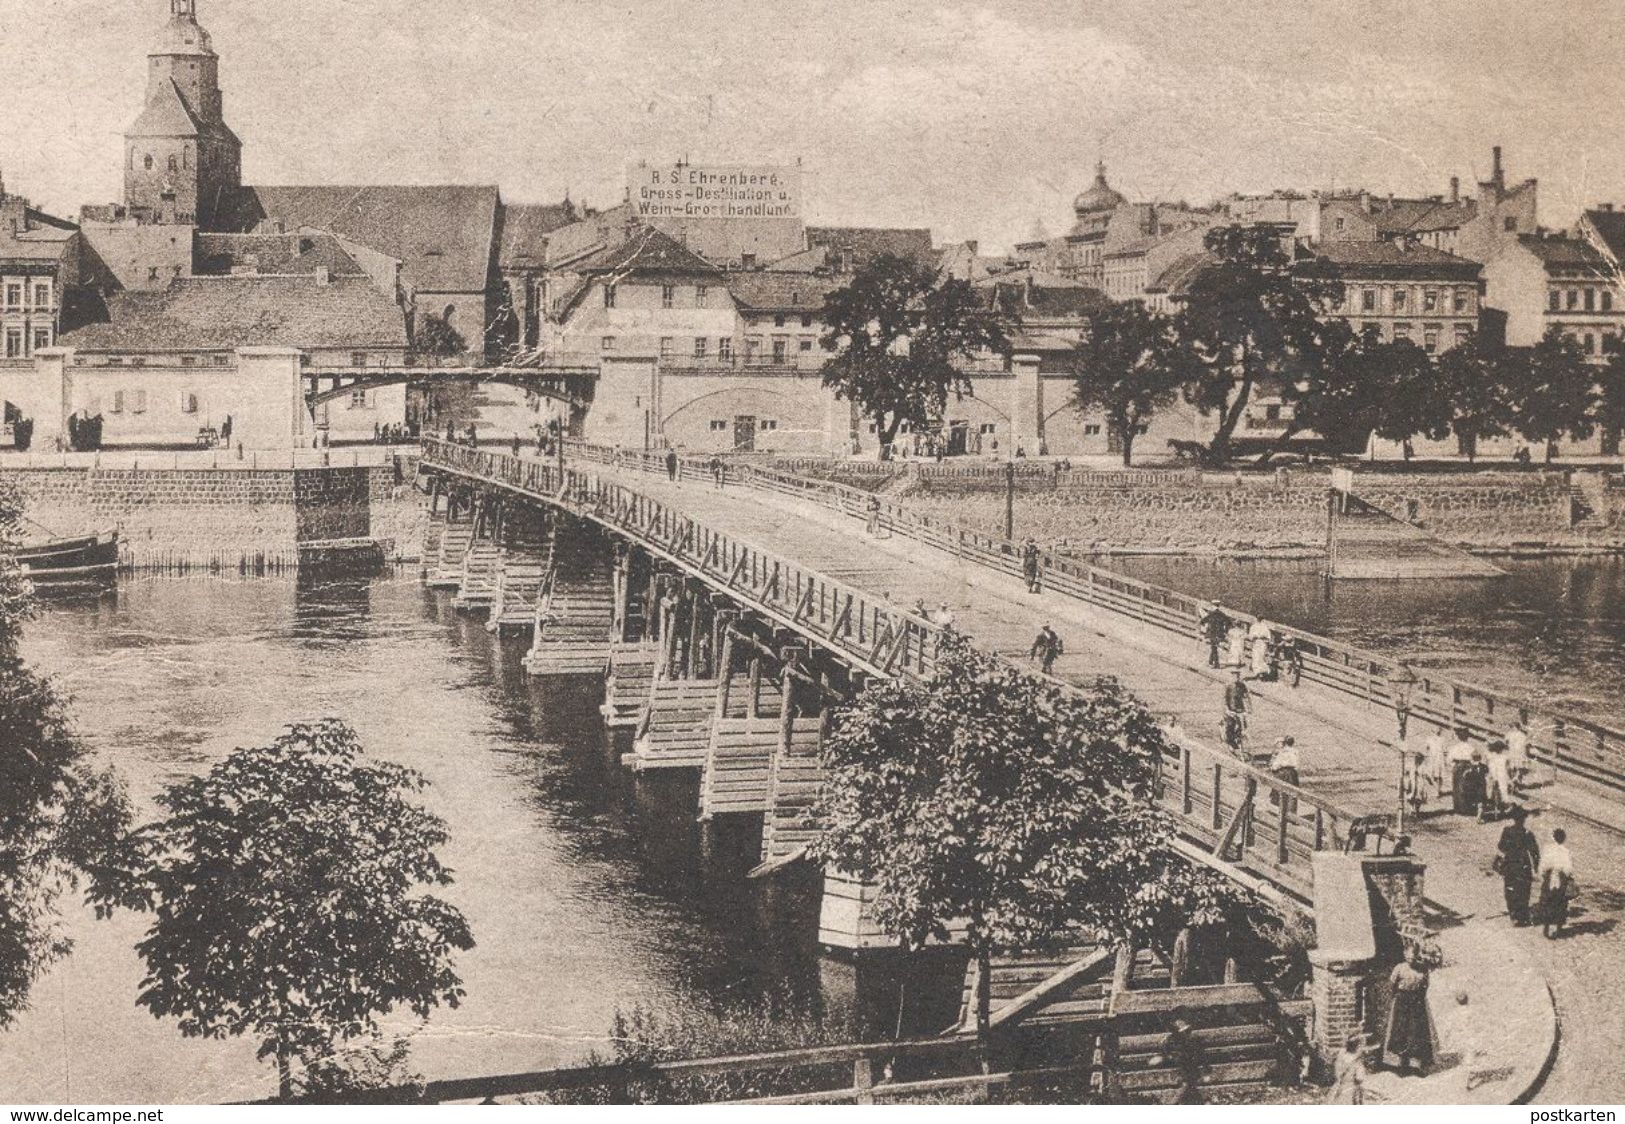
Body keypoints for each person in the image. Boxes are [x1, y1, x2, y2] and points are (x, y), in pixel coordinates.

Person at [1384, 948, 1434, 1075]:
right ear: (1405, 955)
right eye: (1408, 957)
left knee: (1417, 1032)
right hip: (1402, 1001)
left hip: (1417, 1001)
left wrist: (1418, 998)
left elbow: (1425, 985)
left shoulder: (1423, 968)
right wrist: (1398, 998)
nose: (1410, 960)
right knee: (1401, 1031)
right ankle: (1401, 1065)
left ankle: (1417, 1066)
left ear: (1417, 956)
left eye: (1413, 957)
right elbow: (1392, 985)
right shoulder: (1399, 968)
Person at [1494, 806, 1541, 926]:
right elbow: (1534, 852)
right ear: (1523, 820)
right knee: (1524, 890)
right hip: (1523, 865)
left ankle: (1514, 915)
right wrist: (1536, 866)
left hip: (1510, 863)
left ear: (1513, 819)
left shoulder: (1507, 831)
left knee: (1510, 889)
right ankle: (1522, 916)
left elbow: (1501, 847)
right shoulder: (1528, 834)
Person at [1538, 827, 1576, 939]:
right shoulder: (1566, 851)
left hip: (1549, 877)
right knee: (1560, 903)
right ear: (1563, 839)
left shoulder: (1548, 849)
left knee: (1547, 901)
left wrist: (1544, 874)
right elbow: (1569, 869)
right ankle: (1559, 929)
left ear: (1553, 837)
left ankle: (1546, 928)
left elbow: (1543, 866)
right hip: (1561, 878)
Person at [1326, 1033, 1368, 1104]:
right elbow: (1359, 1078)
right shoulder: (1357, 1060)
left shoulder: (1341, 1055)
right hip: (1350, 1089)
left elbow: (1336, 1072)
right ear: (1356, 1046)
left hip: (1338, 1086)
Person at [1389, 661, 1421, 741]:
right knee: (1404, 710)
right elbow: (1414, 680)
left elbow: (1391, 681)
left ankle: (1401, 724)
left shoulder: (1396, 672)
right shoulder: (1409, 672)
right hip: (1406, 696)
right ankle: (1402, 725)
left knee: (1399, 709)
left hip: (1399, 696)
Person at [1482, 739, 1512, 821]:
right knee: (1502, 793)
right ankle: (1502, 810)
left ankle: (1494, 811)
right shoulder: (1505, 757)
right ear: (1502, 749)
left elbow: (1490, 768)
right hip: (1502, 777)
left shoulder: (1492, 757)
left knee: (1494, 794)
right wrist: (1510, 778)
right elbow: (1508, 769)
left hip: (1494, 777)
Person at [1198, 600, 1230, 669]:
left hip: (1212, 633)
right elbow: (1229, 622)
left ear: (1213, 605)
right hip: (1220, 634)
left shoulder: (1211, 614)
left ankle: (1216, 664)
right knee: (1214, 647)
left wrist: (1205, 626)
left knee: (1214, 647)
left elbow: (1202, 621)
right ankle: (1210, 661)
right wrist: (1225, 630)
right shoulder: (1222, 614)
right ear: (1218, 606)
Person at [1506, 718, 1532, 793]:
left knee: (1517, 770)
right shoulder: (1511, 734)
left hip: (1518, 754)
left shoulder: (1521, 736)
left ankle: (1515, 784)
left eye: (1514, 727)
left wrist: (1525, 755)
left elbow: (1526, 746)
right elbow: (1507, 742)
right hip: (1513, 754)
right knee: (1513, 770)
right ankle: (1514, 784)